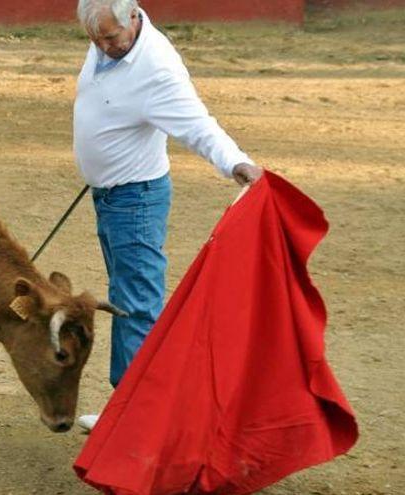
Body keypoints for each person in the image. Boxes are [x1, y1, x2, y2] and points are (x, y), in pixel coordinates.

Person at [73, 0, 263, 432]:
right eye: (94, 39)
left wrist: (237, 163)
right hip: (109, 196)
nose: (103, 47)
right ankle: (132, 410)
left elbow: (199, 125)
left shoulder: (157, 68)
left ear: (134, 17)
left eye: (110, 37)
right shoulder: (110, 38)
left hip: (134, 201)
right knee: (127, 297)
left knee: (135, 306)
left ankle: (137, 419)